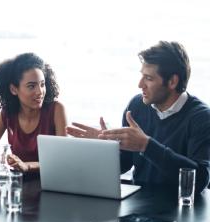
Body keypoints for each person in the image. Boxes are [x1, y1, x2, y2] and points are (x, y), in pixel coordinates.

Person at [67, 41, 210, 193]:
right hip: (139, 205)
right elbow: (125, 163)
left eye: (148, 78)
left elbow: (200, 179)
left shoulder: (201, 118)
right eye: (142, 76)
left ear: (172, 81)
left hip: (180, 209)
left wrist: (146, 145)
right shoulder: (137, 105)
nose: (140, 84)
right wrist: (105, 148)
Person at [0, 53, 67, 172]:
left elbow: (62, 160)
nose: (40, 92)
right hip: (20, 183)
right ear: (13, 89)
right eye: (31, 86)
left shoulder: (56, 110)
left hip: (52, 183)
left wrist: (27, 166)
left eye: (42, 84)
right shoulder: (8, 113)